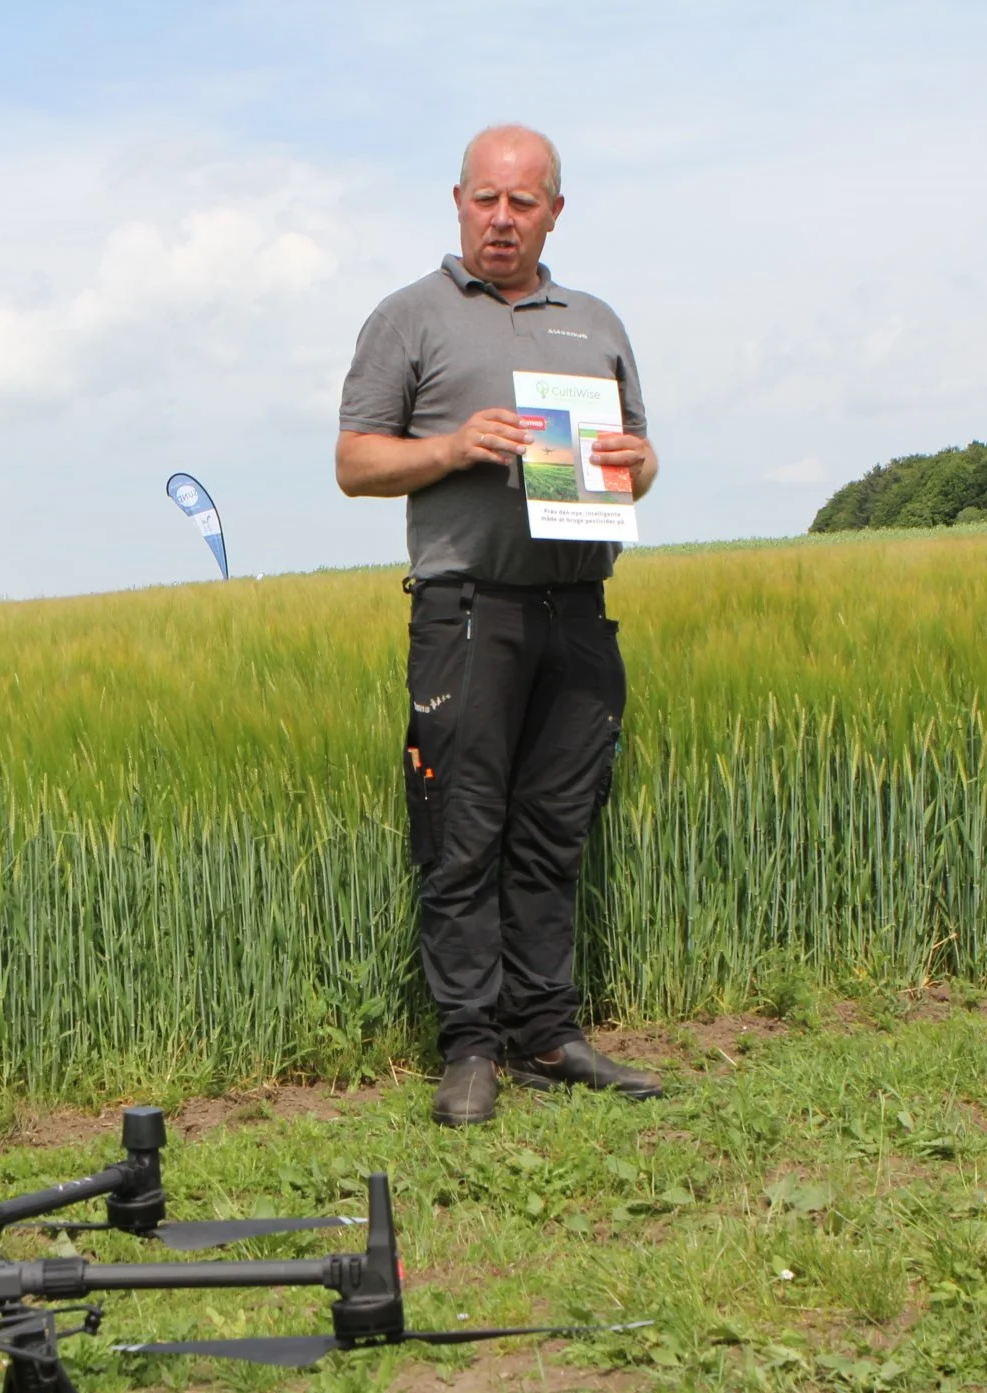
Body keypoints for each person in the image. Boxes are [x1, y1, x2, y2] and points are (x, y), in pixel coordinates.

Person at [335, 123, 662, 1127]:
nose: (503, 220)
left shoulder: (594, 320)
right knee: (464, 835)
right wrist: (453, 446)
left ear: (555, 210)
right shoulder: (411, 317)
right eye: (487, 200)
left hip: (576, 612)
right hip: (467, 612)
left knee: (555, 830)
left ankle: (548, 1033)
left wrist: (629, 466)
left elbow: (643, 456)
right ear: (458, 201)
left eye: (524, 202)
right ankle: (470, 1045)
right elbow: (355, 463)